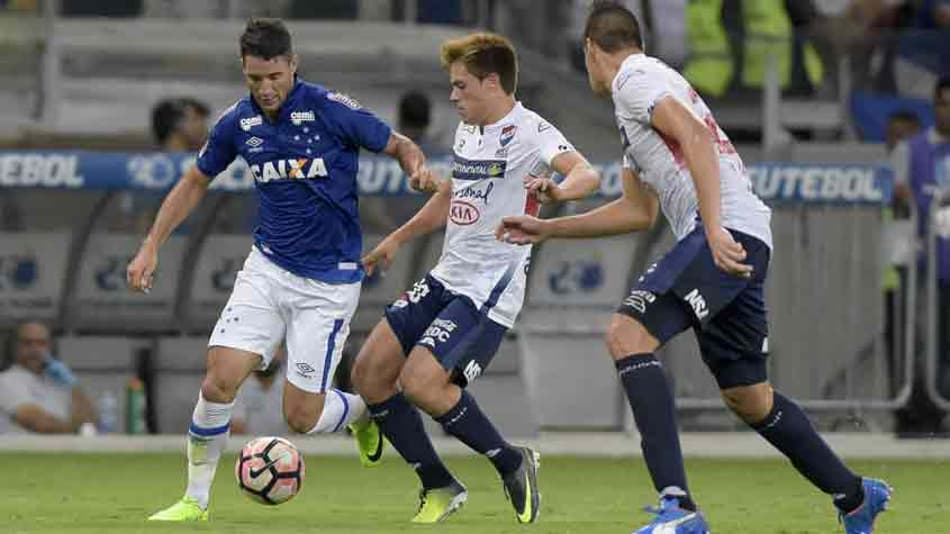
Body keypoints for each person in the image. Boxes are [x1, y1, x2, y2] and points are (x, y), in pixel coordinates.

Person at [497, 3, 891, 533]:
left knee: (627, 335)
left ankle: (677, 506)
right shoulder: (640, 98)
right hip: (739, 235)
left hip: (725, 235)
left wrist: (711, 228)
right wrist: (550, 228)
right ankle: (854, 496)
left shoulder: (635, 78)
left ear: (592, 49)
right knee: (749, 397)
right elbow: (639, 211)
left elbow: (697, 140)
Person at [130, 17, 433, 522]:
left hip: (328, 284)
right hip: (267, 270)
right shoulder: (237, 123)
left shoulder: (331, 109)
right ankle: (195, 500)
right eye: (254, 79)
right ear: (244, 73)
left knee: (301, 417)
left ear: (292, 66)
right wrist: (150, 246)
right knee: (218, 382)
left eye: (274, 77)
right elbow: (194, 182)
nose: (266, 89)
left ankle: (361, 412)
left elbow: (400, 144)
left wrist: (416, 168)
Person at [350, 32, 600, 524]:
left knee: (420, 383)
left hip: (489, 286)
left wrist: (557, 189)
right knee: (368, 374)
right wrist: (397, 239)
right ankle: (439, 484)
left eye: (461, 86)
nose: (452, 96)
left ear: (491, 82)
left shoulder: (530, 131)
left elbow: (586, 174)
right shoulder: (467, 132)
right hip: (448, 275)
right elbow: (451, 196)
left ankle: (511, 461)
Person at [892, 76, 950, 436]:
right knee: (924, 344)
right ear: (934, 105)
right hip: (926, 266)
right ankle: (925, 415)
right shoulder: (911, 149)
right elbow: (896, 192)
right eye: (944, 103)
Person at [0, 321, 97, 434]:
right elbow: (39, 424)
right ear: (14, 347)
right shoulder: (5, 381)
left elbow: (89, 421)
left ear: (50, 347)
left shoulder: (60, 380)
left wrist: (74, 386)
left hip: (66, 450)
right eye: (27, 343)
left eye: (41, 343)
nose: (35, 349)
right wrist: (78, 430)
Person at [231, 346, 287, 436]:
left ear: (280, 353)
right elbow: (236, 425)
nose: (267, 356)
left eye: (272, 350)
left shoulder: (292, 384)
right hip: (251, 446)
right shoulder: (239, 384)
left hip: (289, 444)